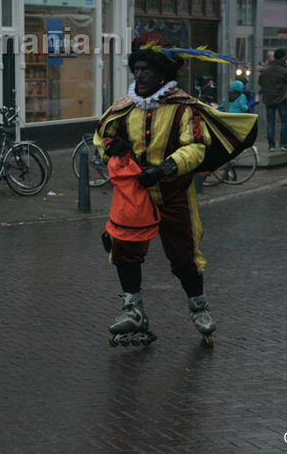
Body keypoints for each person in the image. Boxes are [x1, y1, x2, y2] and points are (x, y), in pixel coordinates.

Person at [94, 38, 257, 347]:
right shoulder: (124, 107)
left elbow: (196, 146)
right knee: (124, 249)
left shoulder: (184, 108)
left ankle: (199, 309)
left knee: (185, 254)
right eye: (136, 69)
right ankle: (133, 311)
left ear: (162, 75)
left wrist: (167, 168)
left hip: (173, 193)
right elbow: (102, 138)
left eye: (146, 70)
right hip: (135, 195)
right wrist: (111, 148)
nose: (139, 76)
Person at [259, 49, 287, 151]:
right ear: (282, 58)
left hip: (268, 98)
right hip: (282, 98)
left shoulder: (265, 70)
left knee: (270, 122)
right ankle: (283, 143)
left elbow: (260, 82)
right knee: (285, 121)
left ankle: (271, 145)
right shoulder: (285, 70)